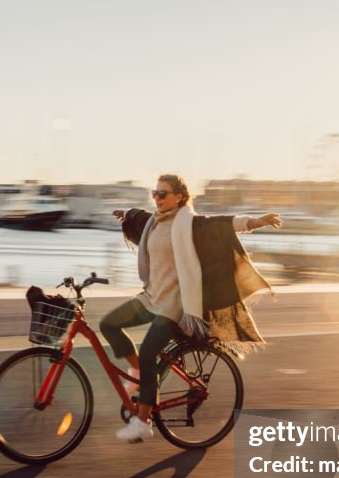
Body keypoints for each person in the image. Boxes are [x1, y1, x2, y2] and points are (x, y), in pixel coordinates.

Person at [100, 173, 282, 442]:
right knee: (108, 324)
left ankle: (143, 421)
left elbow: (224, 224)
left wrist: (257, 222)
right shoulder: (154, 221)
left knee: (150, 352)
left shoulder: (191, 224)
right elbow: (138, 216)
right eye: (155, 193)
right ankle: (136, 370)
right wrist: (125, 214)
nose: (157, 198)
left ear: (179, 197)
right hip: (152, 297)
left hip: (175, 305)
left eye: (163, 194)